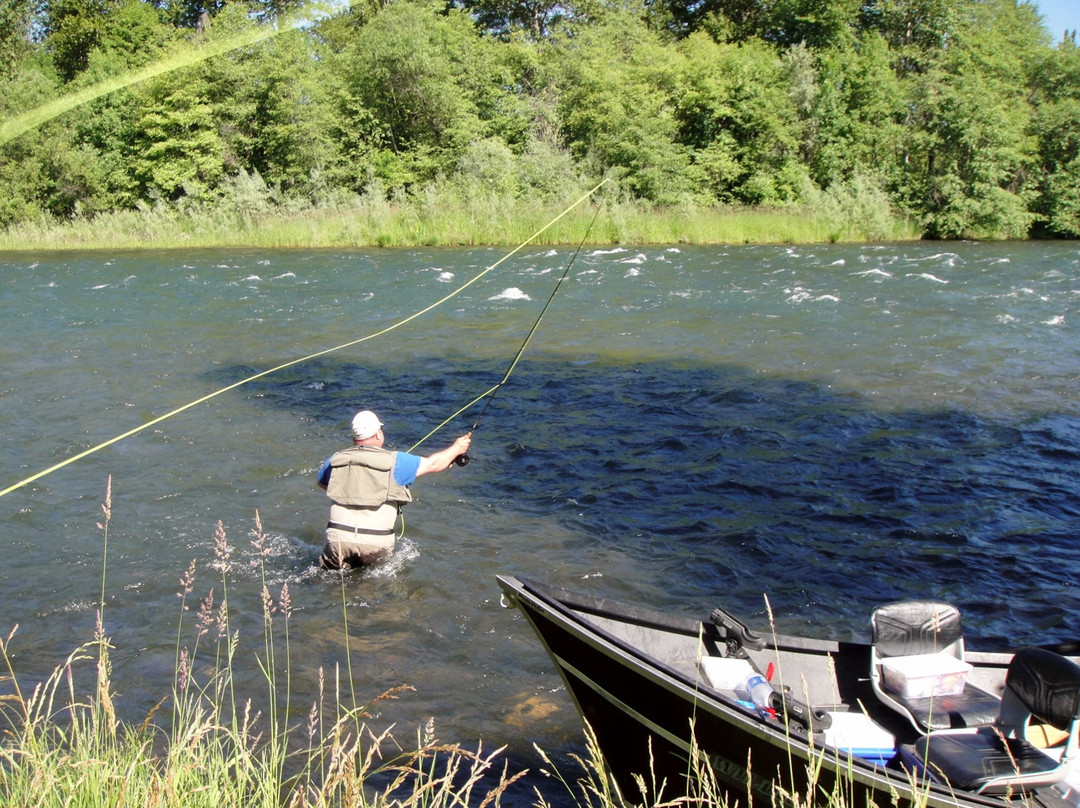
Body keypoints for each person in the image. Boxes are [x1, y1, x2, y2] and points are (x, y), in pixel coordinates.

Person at [316, 410, 471, 569]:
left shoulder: (334, 460)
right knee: (376, 585)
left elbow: (323, 483)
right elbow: (434, 464)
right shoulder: (397, 461)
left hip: (337, 544)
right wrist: (457, 448)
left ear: (355, 437)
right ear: (377, 434)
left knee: (331, 579)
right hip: (376, 546)